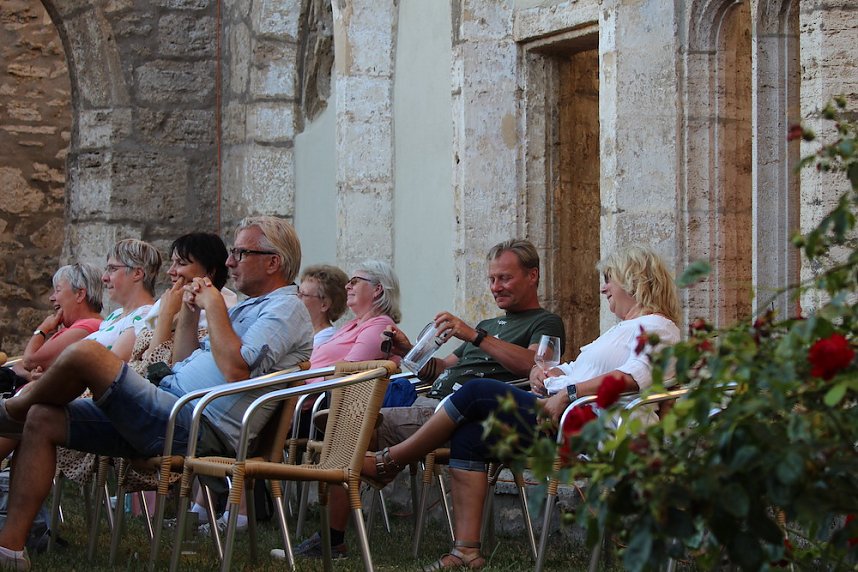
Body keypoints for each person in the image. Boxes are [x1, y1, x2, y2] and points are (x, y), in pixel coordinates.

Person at [0, 216, 313, 571]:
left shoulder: (286, 308)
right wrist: (193, 316)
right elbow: (181, 361)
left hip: (197, 426)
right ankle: (10, 552)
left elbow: (237, 369)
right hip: (169, 405)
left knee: (88, 354)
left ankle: (9, 409)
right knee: (42, 418)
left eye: (240, 253)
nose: (230, 262)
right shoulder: (248, 306)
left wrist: (214, 305)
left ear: (273, 262)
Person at [361, 246, 681, 570]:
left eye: (609, 279)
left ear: (635, 281)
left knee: (478, 393)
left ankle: (391, 462)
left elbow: (630, 378)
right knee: (471, 434)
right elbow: (580, 369)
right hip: (559, 412)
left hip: (588, 426)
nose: (603, 288)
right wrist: (550, 373)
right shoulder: (620, 329)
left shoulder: (659, 328)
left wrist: (568, 392)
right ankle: (466, 552)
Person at [290, 239, 565, 559]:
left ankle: (337, 531)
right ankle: (334, 535)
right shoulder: (488, 325)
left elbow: (536, 366)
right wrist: (409, 351)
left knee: (349, 424)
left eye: (504, 278)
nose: (495, 287)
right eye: (491, 279)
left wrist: (473, 335)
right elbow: (441, 370)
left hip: (465, 414)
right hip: (432, 404)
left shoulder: (544, 322)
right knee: (347, 416)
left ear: (532, 276)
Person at [3, 264, 104, 389]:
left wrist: (43, 329)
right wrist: (31, 375)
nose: (52, 298)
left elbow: (29, 361)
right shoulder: (74, 328)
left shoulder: (88, 326)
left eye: (58, 290)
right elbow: (20, 365)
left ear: (79, 294)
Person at [297, 265, 349, 348]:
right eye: (297, 292)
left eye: (303, 294)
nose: (297, 297)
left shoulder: (326, 338)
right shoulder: (302, 333)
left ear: (324, 305)